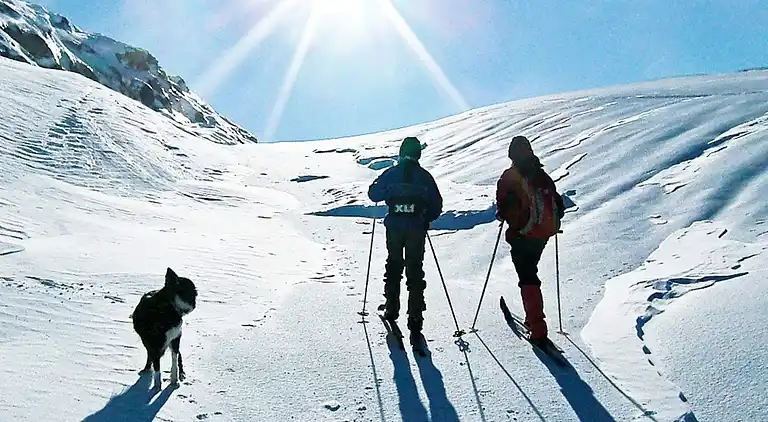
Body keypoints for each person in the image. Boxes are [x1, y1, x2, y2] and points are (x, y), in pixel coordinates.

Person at [367, 136, 443, 341]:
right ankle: (415, 317)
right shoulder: (425, 176)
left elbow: (373, 194)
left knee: (394, 265)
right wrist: (425, 217)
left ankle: (391, 309)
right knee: (415, 270)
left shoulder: (391, 173)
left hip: (394, 226)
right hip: (416, 228)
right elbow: (437, 204)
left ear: (401, 153)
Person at [495, 135, 565, 347]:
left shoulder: (510, 176)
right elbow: (559, 205)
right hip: (542, 234)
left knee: (527, 277)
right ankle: (534, 319)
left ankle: (537, 327)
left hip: (521, 235)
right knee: (530, 273)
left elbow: (503, 207)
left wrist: (505, 216)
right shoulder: (542, 175)